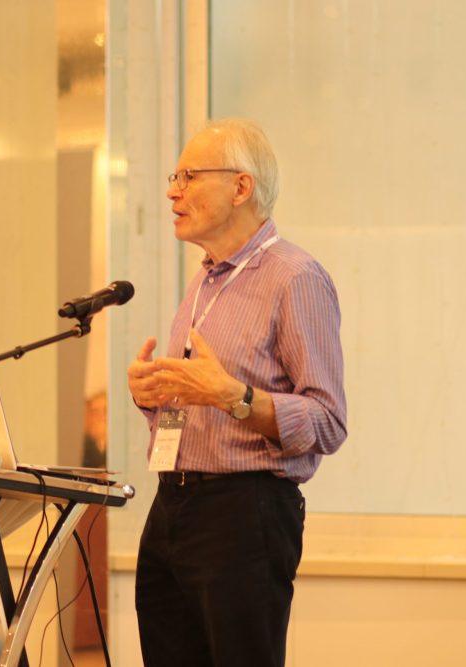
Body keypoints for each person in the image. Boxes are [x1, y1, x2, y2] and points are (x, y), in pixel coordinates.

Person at [127, 118, 347, 667]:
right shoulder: (204, 279)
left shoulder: (295, 278)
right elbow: (198, 399)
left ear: (241, 187)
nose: (173, 191)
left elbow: (328, 421)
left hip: (244, 515)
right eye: (173, 177)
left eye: (189, 176)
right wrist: (153, 394)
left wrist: (235, 397)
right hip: (172, 503)